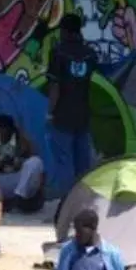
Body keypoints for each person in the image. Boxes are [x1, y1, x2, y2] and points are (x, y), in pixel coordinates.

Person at [45, 14, 99, 194]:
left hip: (62, 116)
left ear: (64, 31)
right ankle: (83, 201)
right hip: (84, 114)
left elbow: (55, 87)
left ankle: (66, 204)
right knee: (83, 161)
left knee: (64, 161)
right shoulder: (90, 53)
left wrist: (50, 112)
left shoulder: (58, 52)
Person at [0, 115, 46, 213]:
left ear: (10, 129)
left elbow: (37, 171)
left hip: (19, 182)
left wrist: (19, 162)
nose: (1, 132)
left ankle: (19, 199)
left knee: (36, 161)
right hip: (1, 182)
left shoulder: (23, 141)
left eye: (4, 128)